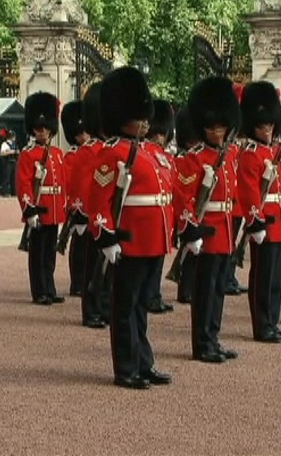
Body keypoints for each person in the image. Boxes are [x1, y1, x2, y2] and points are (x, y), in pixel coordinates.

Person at [86, 67, 173, 389]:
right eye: (139, 116)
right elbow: (99, 199)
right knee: (124, 307)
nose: (146, 123)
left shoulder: (152, 153)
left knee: (140, 306)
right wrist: (104, 234)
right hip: (130, 241)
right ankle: (126, 367)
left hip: (152, 241)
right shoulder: (113, 153)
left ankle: (143, 363)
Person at [174, 76, 241, 361]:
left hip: (225, 229)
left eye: (222, 128)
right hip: (207, 230)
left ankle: (213, 337)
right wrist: (191, 230)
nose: (218, 133)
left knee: (218, 290)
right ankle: (201, 344)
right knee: (204, 290)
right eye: (213, 128)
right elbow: (184, 196)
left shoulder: (230, 154)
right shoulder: (195, 158)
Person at [237, 80, 281, 342]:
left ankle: (272, 320)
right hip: (264, 220)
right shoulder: (250, 153)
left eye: (270, 124)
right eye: (262, 125)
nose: (267, 129)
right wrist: (254, 221)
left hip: (278, 220)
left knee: (276, 277)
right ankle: (262, 324)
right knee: (263, 276)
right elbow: (247, 190)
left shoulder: (275, 152)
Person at [17, 92, 67, 305]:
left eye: (46, 128)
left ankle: (50, 287)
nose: (43, 132)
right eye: (39, 129)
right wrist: (29, 209)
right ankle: (39, 291)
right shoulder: (28, 154)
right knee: (37, 253)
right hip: (40, 207)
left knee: (49, 252)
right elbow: (23, 184)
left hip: (54, 208)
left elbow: (62, 183)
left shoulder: (56, 154)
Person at [72, 82, 111, 329]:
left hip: (111, 215)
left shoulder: (113, 148)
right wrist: (80, 213)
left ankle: (105, 305)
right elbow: (81, 183)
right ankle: (91, 310)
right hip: (92, 216)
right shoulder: (89, 151)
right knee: (92, 267)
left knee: (109, 268)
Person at [143, 99, 176, 314]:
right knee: (147, 263)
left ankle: (153, 295)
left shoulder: (165, 156)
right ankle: (148, 296)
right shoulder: (144, 151)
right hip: (148, 217)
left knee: (157, 260)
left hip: (163, 217)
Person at [60, 100, 89, 296]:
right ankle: (77, 283)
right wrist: (73, 206)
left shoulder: (96, 153)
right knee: (78, 247)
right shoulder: (71, 156)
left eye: (85, 132)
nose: (83, 137)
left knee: (89, 248)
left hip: (92, 206)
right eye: (79, 134)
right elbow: (69, 184)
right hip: (78, 206)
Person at [172, 107, 200, 304]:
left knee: (194, 252)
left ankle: (188, 285)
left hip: (198, 208)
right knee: (188, 251)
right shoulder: (183, 158)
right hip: (188, 210)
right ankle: (185, 287)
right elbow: (182, 187)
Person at [0, 130, 19, 197]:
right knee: (6, 178)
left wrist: (17, 152)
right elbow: (2, 153)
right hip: (8, 163)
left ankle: (14, 192)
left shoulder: (14, 145)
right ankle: (5, 192)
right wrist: (10, 152)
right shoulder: (5, 144)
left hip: (14, 162)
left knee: (14, 178)